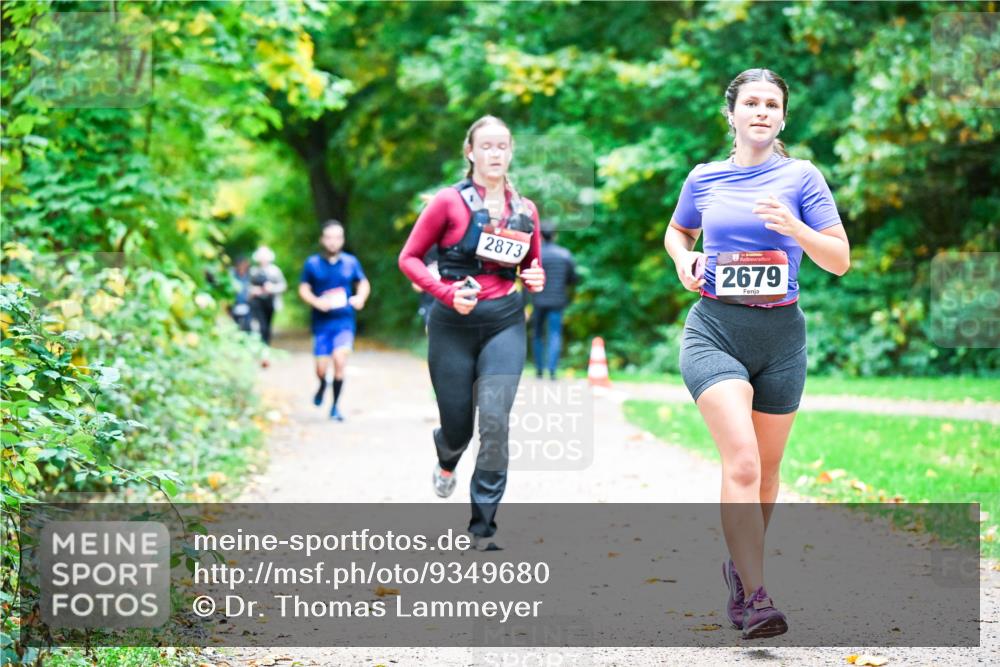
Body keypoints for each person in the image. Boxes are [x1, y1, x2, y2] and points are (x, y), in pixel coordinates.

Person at [663, 68, 850, 639]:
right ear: (733, 113)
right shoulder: (705, 177)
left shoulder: (802, 176)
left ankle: (740, 577)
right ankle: (759, 594)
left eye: (772, 103)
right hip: (715, 330)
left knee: (767, 474)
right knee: (742, 460)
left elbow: (839, 259)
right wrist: (683, 261)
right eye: (752, 102)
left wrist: (794, 226)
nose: (762, 111)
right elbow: (677, 232)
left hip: (782, 339)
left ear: (783, 117)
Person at [398, 115, 546, 551]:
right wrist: (444, 293)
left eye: (502, 146)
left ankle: (483, 527)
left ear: (510, 152)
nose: (495, 153)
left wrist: (534, 279)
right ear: (470, 152)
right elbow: (408, 258)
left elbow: (530, 267)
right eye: (486, 146)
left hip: (503, 321)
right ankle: (447, 457)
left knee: (496, 423)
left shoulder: (526, 209)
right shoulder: (448, 202)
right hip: (452, 325)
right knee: (459, 427)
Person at [298, 221, 371, 421]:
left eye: (337, 237)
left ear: (342, 240)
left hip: (344, 322)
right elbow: (303, 288)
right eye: (329, 237)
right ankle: (322, 384)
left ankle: (335, 407)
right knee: (321, 369)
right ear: (322, 239)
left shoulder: (350, 262)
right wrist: (316, 302)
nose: (333, 242)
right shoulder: (312, 263)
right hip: (322, 323)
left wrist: (360, 298)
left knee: (340, 361)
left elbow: (363, 283)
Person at [531, 222, 577, 380]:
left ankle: (539, 370)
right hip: (558, 301)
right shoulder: (565, 255)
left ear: (541, 235)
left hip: (538, 300)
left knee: (537, 334)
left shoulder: (536, 255)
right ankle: (552, 370)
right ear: (555, 235)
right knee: (555, 334)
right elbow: (573, 278)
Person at [248, 246, 288, 364]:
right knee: (261, 327)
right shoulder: (253, 271)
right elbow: (248, 287)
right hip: (257, 303)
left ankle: (265, 351)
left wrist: (271, 288)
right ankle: (263, 353)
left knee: (267, 328)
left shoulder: (274, 271)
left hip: (270, 302)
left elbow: (283, 286)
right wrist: (255, 290)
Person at [229, 256, 252, 332]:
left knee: (247, 327)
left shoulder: (249, 276)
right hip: (234, 305)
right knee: (235, 327)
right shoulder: (232, 275)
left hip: (246, 305)